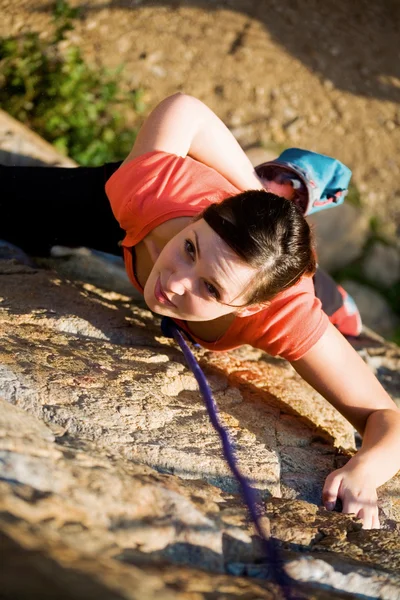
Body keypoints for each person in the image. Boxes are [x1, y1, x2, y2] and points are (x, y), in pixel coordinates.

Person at [1, 93, 399, 529]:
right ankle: (268, 198)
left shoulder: (284, 312)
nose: (174, 281)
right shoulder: (150, 185)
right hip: (146, 215)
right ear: (202, 217)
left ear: (255, 307)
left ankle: (330, 290)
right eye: (190, 249)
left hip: (265, 273)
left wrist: (364, 474)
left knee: (293, 275)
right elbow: (186, 109)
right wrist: (251, 200)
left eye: (209, 287)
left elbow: (386, 417)